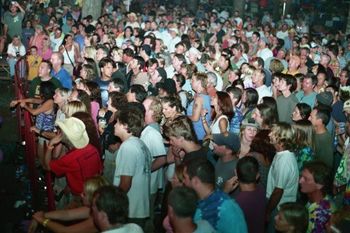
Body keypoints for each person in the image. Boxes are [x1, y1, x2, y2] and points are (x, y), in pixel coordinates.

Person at [42, 117, 103, 201]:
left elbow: (47, 166)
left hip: (80, 196)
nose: (58, 131)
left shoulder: (70, 159)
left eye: (61, 130)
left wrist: (50, 145)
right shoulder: (92, 149)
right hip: (93, 192)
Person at [113, 104, 152, 230]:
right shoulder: (140, 144)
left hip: (131, 209)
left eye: (117, 123)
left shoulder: (128, 147)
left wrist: (113, 203)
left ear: (125, 126)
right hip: (140, 208)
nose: (114, 125)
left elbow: (125, 183)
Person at [183, 158, 248, 233]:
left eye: (185, 177)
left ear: (195, 181)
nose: (183, 182)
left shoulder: (228, 209)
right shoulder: (194, 203)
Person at [29, 176, 108, 233]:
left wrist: (42, 220)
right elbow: (67, 214)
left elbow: (65, 231)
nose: (80, 195)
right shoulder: (95, 208)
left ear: (93, 197)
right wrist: (43, 215)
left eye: (84, 194)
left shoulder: (100, 217)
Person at [266, 123, 299, 232]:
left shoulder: (285, 160)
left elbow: (278, 191)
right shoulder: (280, 154)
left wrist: (267, 211)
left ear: (282, 137)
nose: (269, 134)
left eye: (273, 132)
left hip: (279, 208)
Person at [233, 157, 266, 233]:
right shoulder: (261, 190)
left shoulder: (237, 203)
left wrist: (224, 192)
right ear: (257, 175)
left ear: (236, 173)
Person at [299, 161, 334, 233]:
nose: (300, 181)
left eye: (305, 179)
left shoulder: (318, 215)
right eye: (301, 177)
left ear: (319, 185)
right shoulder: (317, 201)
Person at [187, 73, 211, 142]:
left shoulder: (199, 98)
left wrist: (183, 116)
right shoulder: (204, 95)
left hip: (198, 135)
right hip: (201, 134)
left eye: (192, 80)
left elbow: (195, 118)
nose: (190, 82)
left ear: (199, 82)